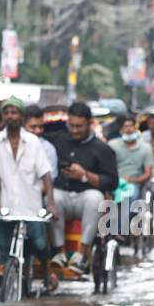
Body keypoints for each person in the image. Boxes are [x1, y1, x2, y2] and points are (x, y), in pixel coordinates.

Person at [0, 97, 59, 294]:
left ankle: (47, 270)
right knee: (4, 249)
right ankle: (7, 277)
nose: (10, 116)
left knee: (40, 244)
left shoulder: (33, 142)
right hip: (6, 205)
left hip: (31, 205)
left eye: (14, 112)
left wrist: (50, 202)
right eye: (7, 112)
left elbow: (46, 174)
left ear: (21, 116)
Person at [48, 100, 119, 273]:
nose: (74, 130)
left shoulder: (103, 149)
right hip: (62, 195)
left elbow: (112, 181)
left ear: (90, 123)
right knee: (51, 197)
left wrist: (84, 175)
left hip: (87, 199)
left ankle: (82, 254)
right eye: (71, 126)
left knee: (95, 198)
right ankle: (60, 254)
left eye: (79, 126)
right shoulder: (59, 140)